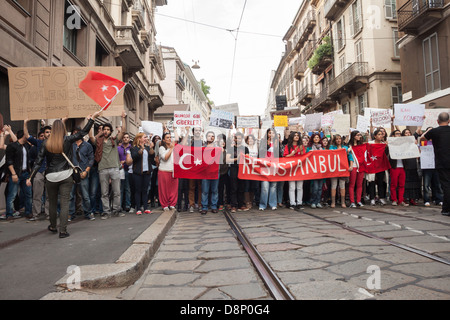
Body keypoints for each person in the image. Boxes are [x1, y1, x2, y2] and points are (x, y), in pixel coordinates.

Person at [27, 112, 100, 238]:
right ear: (63, 129)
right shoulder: (67, 140)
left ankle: (53, 226)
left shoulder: (46, 143)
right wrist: (92, 120)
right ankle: (63, 231)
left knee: (53, 203)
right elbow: (83, 133)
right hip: (66, 175)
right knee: (65, 203)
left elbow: (38, 162)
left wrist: (30, 177)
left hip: (50, 176)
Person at [95, 111, 127, 219]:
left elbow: (123, 131)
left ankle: (116, 210)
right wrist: (92, 120)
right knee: (104, 193)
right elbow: (91, 137)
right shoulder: (98, 141)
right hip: (102, 169)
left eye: (108, 130)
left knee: (117, 192)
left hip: (114, 168)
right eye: (104, 129)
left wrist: (123, 118)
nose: (106, 131)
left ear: (110, 131)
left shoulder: (114, 140)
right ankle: (106, 212)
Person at [421, 112, 450, 216]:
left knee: (446, 185)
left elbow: (422, 138)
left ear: (437, 121)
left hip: (441, 162)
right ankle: (446, 208)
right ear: (449, 121)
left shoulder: (434, 131)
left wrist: (428, 131)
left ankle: (447, 209)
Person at [24, 121, 51, 220]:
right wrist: (25, 123)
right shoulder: (39, 142)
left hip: (51, 172)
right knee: (37, 194)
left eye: (51, 132)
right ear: (43, 134)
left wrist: (63, 121)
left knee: (49, 195)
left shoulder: (56, 143)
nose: (49, 134)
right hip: (39, 171)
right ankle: (36, 214)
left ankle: (49, 214)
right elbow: (27, 136)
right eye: (47, 132)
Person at [5, 129, 33, 221]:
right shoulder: (12, 146)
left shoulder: (26, 146)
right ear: (23, 136)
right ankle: (9, 214)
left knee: (28, 194)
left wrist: (30, 173)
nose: (28, 136)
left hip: (26, 173)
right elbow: (9, 161)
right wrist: (13, 174)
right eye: (27, 135)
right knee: (12, 194)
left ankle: (28, 212)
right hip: (16, 173)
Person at [68, 126, 95, 221]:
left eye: (78, 132)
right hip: (72, 173)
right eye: (74, 132)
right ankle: (70, 214)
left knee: (85, 195)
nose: (76, 134)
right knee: (70, 195)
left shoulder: (87, 145)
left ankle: (88, 212)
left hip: (83, 172)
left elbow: (91, 159)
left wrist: (86, 171)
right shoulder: (70, 145)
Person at [128, 132, 154, 215]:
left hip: (147, 172)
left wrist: (151, 148)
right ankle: (138, 208)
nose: (146, 138)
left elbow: (152, 155)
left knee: (145, 190)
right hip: (137, 172)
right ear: (139, 139)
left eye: (146, 137)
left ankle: (146, 207)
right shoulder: (134, 148)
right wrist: (141, 149)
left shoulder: (147, 147)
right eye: (144, 137)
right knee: (138, 190)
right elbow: (135, 157)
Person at [226, 131, 249, 213]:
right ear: (235, 139)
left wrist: (245, 157)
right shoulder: (231, 148)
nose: (238, 139)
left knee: (241, 187)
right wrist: (237, 158)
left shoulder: (245, 148)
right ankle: (233, 205)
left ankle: (241, 204)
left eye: (240, 138)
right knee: (233, 188)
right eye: (237, 138)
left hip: (242, 169)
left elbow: (248, 158)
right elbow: (227, 159)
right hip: (233, 168)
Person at [329, 134, 353, 208]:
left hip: (343, 169)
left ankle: (343, 202)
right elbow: (330, 154)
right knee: (334, 185)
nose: (338, 140)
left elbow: (350, 157)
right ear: (334, 140)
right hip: (334, 169)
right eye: (337, 139)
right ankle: (333, 202)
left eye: (339, 138)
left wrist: (351, 166)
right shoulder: (332, 147)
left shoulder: (345, 147)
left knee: (342, 185)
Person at [283, 131, 305, 210]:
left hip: (299, 169)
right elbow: (285, 157)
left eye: (297, 135)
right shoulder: (288, 146)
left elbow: (304, 157)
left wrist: (301, 151)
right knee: (292, 187)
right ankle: (292, 203)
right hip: (291, 169)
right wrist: (293, 153)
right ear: (292, 137)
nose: (296, 137)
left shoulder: (301, 146)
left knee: (299, 187)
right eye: (295, 135)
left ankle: (299, 203)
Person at [258, 128, 279, 211]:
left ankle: (273, 204)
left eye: (273, 133)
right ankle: (263, 204)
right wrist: (267, 144)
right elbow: (261, 153)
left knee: (273, 187)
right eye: (269, 133)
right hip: (265, 167)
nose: (271, 135)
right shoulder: (263, 143)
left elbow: (280, 155)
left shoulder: (277, 143)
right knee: (265, 187)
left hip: (274, 167)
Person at [200, 131, 219, 215]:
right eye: (209, 136)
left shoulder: (217, 147)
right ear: (206, 137)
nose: (211, 137)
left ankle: (214, 206)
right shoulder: (202, 147)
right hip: (205, 172)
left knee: (215, 190)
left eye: (212, 136)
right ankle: (204, 207)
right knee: (205, 190)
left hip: (215, 171)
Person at [158, 132, 178, 211]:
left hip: (173, 171)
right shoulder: (162, 148)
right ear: (164, 140)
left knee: (173, 189)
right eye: (167, 137)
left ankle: (172, 204)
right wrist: (171, 148)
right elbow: (165, 157)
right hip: (164, 171)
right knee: (164, 189)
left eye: (170, 137)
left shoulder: (174, 147)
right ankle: (165, 205)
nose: (169, 139)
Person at [368, 129, 388, 206]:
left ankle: (381, 197)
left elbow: (386, 155)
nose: (380, 136)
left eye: (381, 134)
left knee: (381, 182)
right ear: (375, 136)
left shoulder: (384, 144)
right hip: (372, 166)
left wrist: (386, 147)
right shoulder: (370, 143)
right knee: (371, 182)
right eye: (379, 134)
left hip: (381, 166)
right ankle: (372, 198)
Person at [348, 130, 365, 208]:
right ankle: (352, 201)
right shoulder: (349, 145)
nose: (359, 136)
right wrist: (348, 151)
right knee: (352, 184)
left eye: (360, 135)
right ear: (354, 136)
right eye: (358, 135)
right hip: (353, 166)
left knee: (359, 184)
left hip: (360, 166)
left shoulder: (361, 145)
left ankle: (358, 201)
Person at [307, 133, 324, 208]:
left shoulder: (322, 148)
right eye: (315, 137)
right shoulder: (309, 148)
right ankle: (313, 201)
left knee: (320, 187)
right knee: (315, 187)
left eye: (317, 137)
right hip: (313, 170)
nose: (316, 139)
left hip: (321, 170)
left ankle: (318, 201)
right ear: (312, 139)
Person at [118, 132, 132, 212]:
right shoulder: (118, 148)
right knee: (120, 189)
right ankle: (119, 206)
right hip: (120, 170)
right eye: (124, 137)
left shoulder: (132, 148)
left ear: (129, 139)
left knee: (128, 188)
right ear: (122, 139)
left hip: (129, 170)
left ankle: (127, 205)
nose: (125, 138)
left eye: (127, 137)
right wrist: (120, 162)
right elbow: (116, 158)